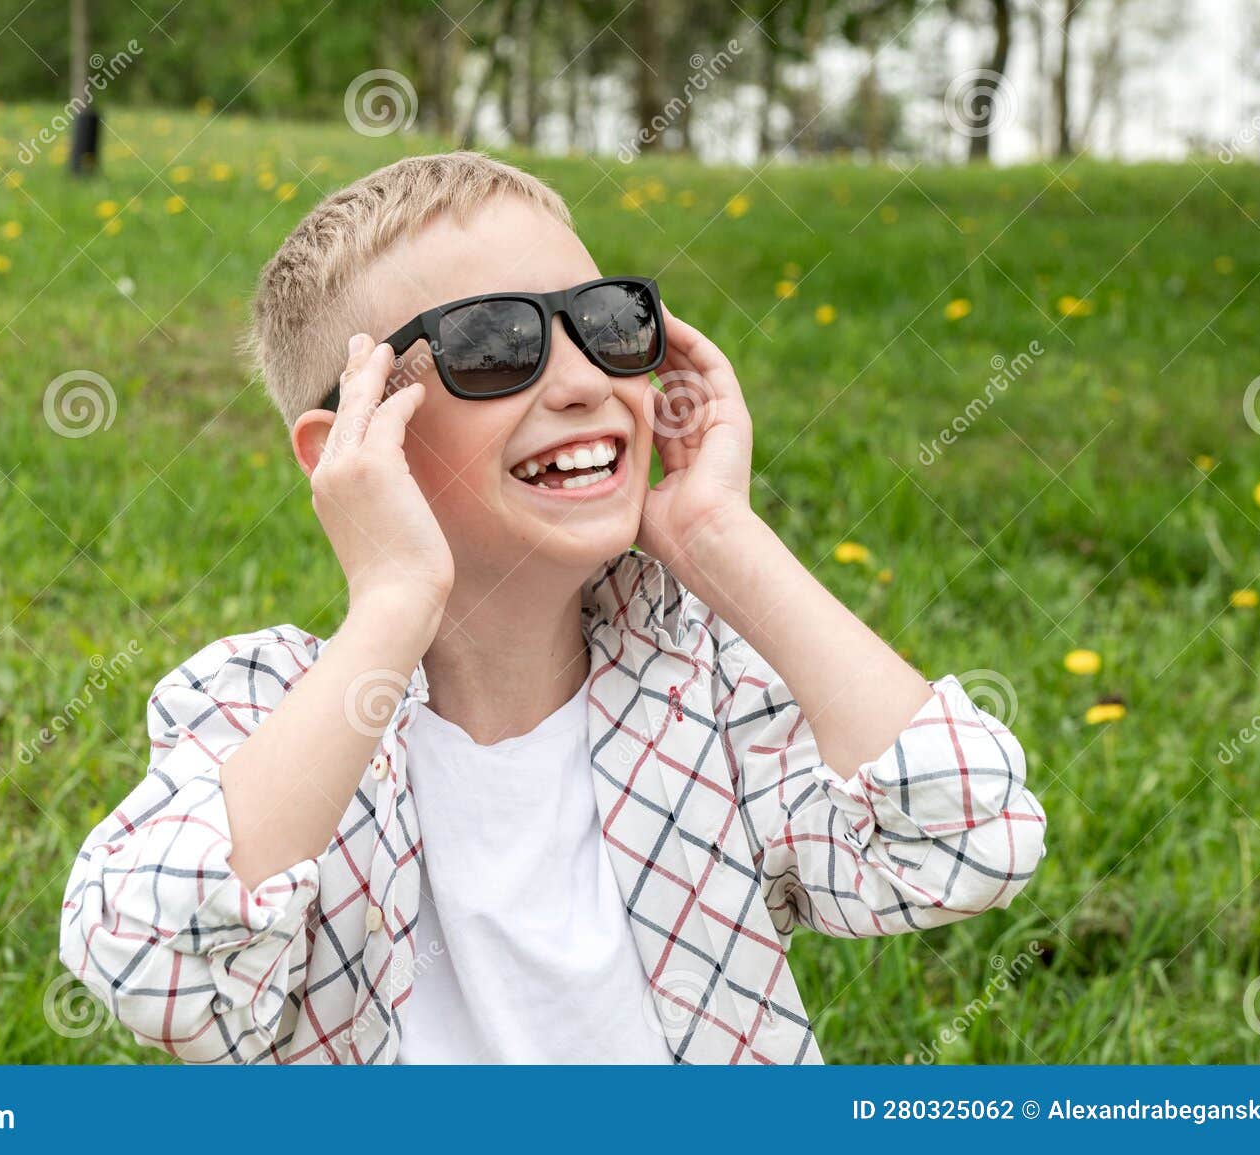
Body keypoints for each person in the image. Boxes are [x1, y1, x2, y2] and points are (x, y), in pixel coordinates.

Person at [58, 151, 1048, 1064]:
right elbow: (163, 970)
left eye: (609, 324)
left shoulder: (708, 692)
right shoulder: (263, 711)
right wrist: (395, 598)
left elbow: (966, 840)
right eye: (494, 344)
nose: (581, 381)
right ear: (356, 446)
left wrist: (718, 539)